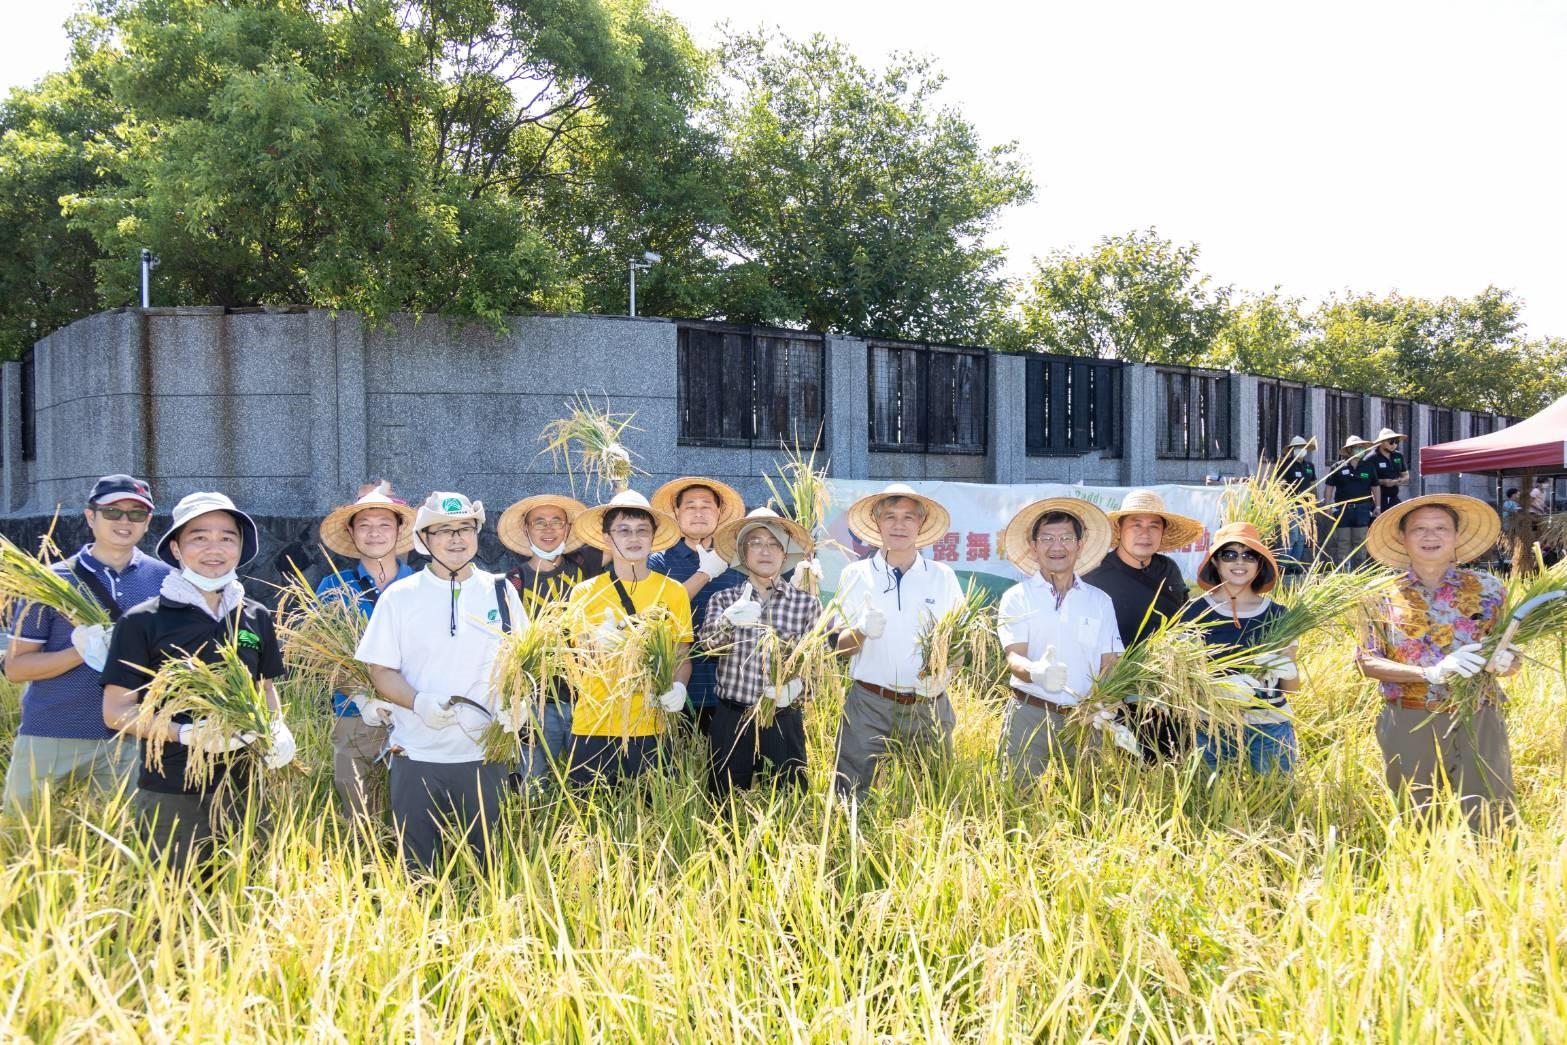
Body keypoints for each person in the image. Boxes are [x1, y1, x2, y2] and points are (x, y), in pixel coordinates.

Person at [100, 492, 296, 865]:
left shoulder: (254, 615)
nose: (215, 548)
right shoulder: (143, 621)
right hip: (173, 787)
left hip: (246, 785)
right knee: (172, 903)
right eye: (199, 537)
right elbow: (115, 712)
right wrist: (185, 734)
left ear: (241, 547)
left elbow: (265, 688)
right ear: (176, 547)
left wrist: (277, 726)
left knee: (245, 897)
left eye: (227, 537)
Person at [353, 492, 525, 871]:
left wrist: (518, 704)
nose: (456, 538)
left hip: (486, 754)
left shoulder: (501, 590)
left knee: (490, 869)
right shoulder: (400, 596)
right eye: (443, 530)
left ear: (478, 534)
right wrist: (418, 702)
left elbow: (522, 663)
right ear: (423, 540)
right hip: (416, 755)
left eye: (465, 528)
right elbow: (380, 670)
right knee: (417, 869)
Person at [2, 475, 172, 815]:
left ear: (148, 522)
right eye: (113, 511)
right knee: (23, 840)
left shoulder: (166, 580)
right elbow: (16, 668)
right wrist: (80, 651)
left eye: (136, 514)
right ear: (90, 516)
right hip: (50, 735)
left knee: (125, 845)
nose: (124, 521)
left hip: (130, 740)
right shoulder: (51, 581)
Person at [1355, 494, 1518, 831]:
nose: (1431, 536)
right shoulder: (1379, 594)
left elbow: (1513, 655)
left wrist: (1506, 661)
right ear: (1403, 538)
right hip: (1409, 716)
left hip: (1479, 714)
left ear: (1457, 536)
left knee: (1489, 816)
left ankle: (1486, 880)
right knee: (1417, 819)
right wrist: (1427, 673)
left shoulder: (1489, 589)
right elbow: (1366, 661)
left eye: (1441, 528)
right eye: (1420, 529)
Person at [830, 483, 964, 799]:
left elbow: (959, 646)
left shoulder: (942, 576)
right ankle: (852, 845)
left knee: (934, 791)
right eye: (890, 516)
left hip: (928, 703)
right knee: (850, 792)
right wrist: (861, 630)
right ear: (877, 523)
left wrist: (945, 675)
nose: (899, 525)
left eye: (908, 517)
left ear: (921, 523)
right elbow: (838, 646)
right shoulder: (856, 574)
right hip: (868, 702)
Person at [562, 490, 693, 787]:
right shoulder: (585, 593)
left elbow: (681, 653)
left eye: (641, 531)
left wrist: (678, 686)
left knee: (652, 818)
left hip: (651, 725)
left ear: (652, 537)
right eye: (623, 530)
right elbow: (579, 660)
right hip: (594, 725)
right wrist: (601, 643)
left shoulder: (674, 591)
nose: (634, 538)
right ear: (608, 539)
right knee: (590, 821)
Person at [699, 508, 822, 798]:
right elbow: (707, 646)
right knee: (723, 801)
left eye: (773, 544)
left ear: (784, 553)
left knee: (788, 801)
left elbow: (815, 665)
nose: (764, 551)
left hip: (784, 717)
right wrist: (728, 621)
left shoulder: (805, 604)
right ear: (743, 552)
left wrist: (797, 690)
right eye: (755, 542)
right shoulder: (724, 599)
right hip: (732, 717)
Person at [314, 482, 416, 822]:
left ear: (400, 530)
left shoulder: (421, 584)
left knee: (412, 809)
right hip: (354, 715)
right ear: (352, 532)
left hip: (415, 714)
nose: (375, 534)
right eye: (365, 526)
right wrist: (361, 697)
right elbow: (323, 655)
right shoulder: (334, 587)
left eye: (384, 524)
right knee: (357, 810)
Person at [995, 498, 1121, 773]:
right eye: (1047, 538)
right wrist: (1036, 671)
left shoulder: (1099, 601)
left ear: (1079, 544)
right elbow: (1014, 655)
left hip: (1084, 718)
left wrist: (1104, 701)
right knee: (1017, 800)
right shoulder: (1017, 597)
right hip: (1029, 713)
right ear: (1033, 546)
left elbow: (1110, 661)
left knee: (1086, 801)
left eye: (1066, 537)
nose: (1057, 546)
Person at [1082, 489, 1203, 761]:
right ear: (1120, 530)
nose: (1144, 533)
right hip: (1115, 693)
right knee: (1122, 772)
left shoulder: (1168, 569)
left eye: (1153, 526)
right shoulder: (1096, 573)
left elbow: (1182, 621)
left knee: (1172, 764)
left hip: (1166, 691)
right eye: (1135, 525)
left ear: (1162, 533)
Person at [496, 493, 605, 783]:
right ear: (526, 529)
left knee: (586, 783)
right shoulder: (512, 581)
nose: (548, 529)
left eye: (557, 522)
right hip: (535, 702)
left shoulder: (584, 565)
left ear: (568, 529)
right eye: (539, 522)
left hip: (586, 697)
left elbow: (619, 532)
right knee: (533, 782)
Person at [1181, 522, 1300, 774]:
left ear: (1260, 564)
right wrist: (1219, 689)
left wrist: (1288, 670)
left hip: (1270, 726)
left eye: (1249, 555)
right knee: (1210, 806)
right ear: (1215, 561)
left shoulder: (1279, 615)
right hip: (1210, 726)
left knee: (1277, 803)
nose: (1239, 562)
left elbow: (1293, 689)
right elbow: (1181, 683)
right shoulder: (1194, 613)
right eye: (1229, 554)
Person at [648, 478, 747, 736]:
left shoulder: (736, 564)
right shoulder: (659, 561)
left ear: (719, 514)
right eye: (690, 506)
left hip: (727, 690)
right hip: (673, 688)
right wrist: (705, 573)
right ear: (677, 514)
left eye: (707, 506)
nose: (699, 512)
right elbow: (658, 613)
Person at [1323, 435, 1377, 568]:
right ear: (1349, 450)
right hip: (1342, 509)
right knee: (1343, 540)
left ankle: (1358, 570)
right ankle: (1342, 570)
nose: (1360, 450)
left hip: (1363, 508)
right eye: (1357, 448)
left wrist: (1378, 506)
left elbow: (1375, 487)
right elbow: (1329, 486)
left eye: (1361, 447)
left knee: (1360, 539)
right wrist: (1327, 504)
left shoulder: (1368, 467)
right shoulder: (1338, 466)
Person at [1278, 436, 1318, 572]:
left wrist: (1314, 503)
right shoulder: (1285, 464)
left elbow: (1313, 485)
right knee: (1292, 535)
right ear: (1292, 450)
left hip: (1306, 506)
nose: (1301, 450)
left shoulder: (1309, 466)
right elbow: (1279, 485)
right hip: (1291, 505)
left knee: (1302, 537)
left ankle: (1294, 566)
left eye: (1303, 447)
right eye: (1298, 448)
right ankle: (1284, 565)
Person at [1369, 427, 1410, 514]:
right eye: (1391, 442)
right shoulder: (1371, 458)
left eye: (1396, 442)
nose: (1394, 445)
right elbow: (1365, 479)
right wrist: (1382, 481)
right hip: (1376, 499)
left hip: (1394, 497)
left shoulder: (1398, 456)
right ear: (1381, 442)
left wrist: (1400, 480)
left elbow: (1406, 475)